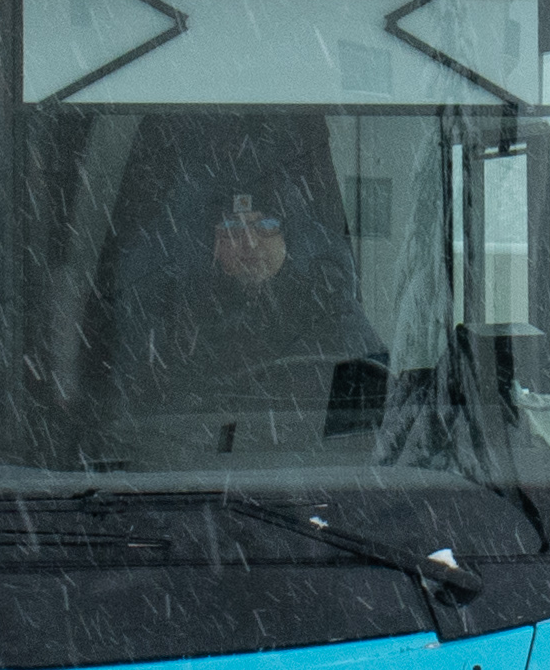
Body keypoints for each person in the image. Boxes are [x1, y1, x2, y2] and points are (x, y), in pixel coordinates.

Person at [102, 131, 375, 458]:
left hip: (310, 479)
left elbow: (368, 427)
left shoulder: (332, 310)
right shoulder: (178, 321)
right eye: (231, 229)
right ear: (213, 246)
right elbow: (143, 426)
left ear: (288, 240)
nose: (250, 243)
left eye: (266, 225)